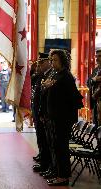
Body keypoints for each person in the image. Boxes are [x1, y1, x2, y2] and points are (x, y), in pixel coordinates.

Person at [45, 49, 83, 186]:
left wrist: (53, 86)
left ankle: (63, 176)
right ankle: (59, 172)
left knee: (61, 147)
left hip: (62, 119)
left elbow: (72, 98)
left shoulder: (65, 76)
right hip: (55, 117)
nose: (52, 62)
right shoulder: (57, 75)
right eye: (51, 60)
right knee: (57, 146)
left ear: (62, 61)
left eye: (55, 60)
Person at [87, 49, 101, 126]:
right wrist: (94, 79)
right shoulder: (96, 70)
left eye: (100, 56)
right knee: (96, 123)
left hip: (99, 98)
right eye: (96, 56)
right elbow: (88, 83)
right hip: (95, 101)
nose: (97, 58)